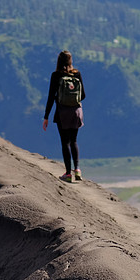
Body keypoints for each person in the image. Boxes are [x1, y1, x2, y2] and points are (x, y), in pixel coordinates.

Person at [42, 50, 86, 183]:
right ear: (70, 60)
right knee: (74, 141)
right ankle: (77, 169)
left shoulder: (56, 75)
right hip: (76, 112)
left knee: (65, 142)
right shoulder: (76, 74)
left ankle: (68, 173)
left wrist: (46, 116)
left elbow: (50, 97)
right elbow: (83, 95)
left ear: (58, 61)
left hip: (62, 112)